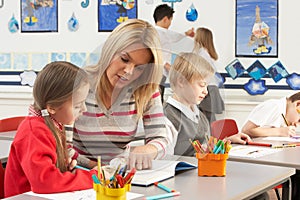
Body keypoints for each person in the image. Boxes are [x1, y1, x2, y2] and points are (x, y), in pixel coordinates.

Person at [72, 19, 170, 171]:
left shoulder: (146, 90)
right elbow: (59, 144)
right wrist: (97, 167)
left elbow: (161, 139)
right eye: (124, 59)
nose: (129, 72)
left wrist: (148, 149)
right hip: (77, 173)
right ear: (110, 49)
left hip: (118, 177)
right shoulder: (77, 82)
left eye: (139, 68)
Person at [4, 61, 97, 198]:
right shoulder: (34, 132)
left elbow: (48, 172)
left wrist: (64, 169)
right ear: (52, 107)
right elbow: (45, 182)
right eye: (77, 106)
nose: (84, 109)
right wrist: (93, 178)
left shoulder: (53, 124)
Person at [164, 52, 251, 156]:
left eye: (206, 86)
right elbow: (165, 160)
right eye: (201, 85)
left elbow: (204, 147)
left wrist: (226, 141)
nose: (206, 91)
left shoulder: (198, 113)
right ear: (181, 81)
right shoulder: (168, 117)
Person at [153, 4, 194, 103]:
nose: (170, 23)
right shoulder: (156, 33)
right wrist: (165, 64)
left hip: (161, 73)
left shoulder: (162, 33)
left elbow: (174, 36)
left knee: (158, 98)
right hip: (157, 72)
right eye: (171, 20)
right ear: (166, 19)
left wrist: (186, 34)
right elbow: (153, 51)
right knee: (156, 99)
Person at [193, 27, 224, 123]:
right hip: (210, 88)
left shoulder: (201, 53)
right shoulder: (206, 53)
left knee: (206, 121)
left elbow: (201, 74)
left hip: (206, 89)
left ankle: (210, 138)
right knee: (208, 120)